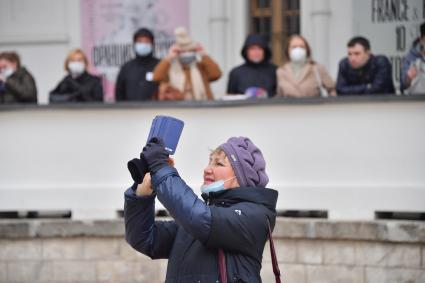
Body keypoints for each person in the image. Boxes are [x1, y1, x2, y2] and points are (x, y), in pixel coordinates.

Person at [124, 136, 278, 282]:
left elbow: (200, 219)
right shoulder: (196, 220)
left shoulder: (255, 216)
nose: (207, 169)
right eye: (209, 162)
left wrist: (161, 168)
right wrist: (143, 191)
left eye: (218, 164)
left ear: (241, 177)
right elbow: (145, 239)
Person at [153, 27, 222, 101]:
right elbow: (157, 77)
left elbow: (216, 74)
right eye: (183, 52)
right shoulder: (171, 69)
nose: (186, 54)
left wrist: (204, 54)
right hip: (178, 108)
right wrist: (169, 57)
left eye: (189, 51)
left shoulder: (200, 67)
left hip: (202, 108)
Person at [115, 28, 159, 101]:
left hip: (155, 109)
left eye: (147, 41)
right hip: (130, 110)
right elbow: (119, 94)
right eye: (140, 41)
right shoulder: (126, 68)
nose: (143, 44)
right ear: (134, 44)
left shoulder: (160, 65)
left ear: (152, 44)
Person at [400, 22, 425, 95]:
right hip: (417, 101)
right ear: (421, 39)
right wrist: (409, 77)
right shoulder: (411, 58)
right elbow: (403, 86)